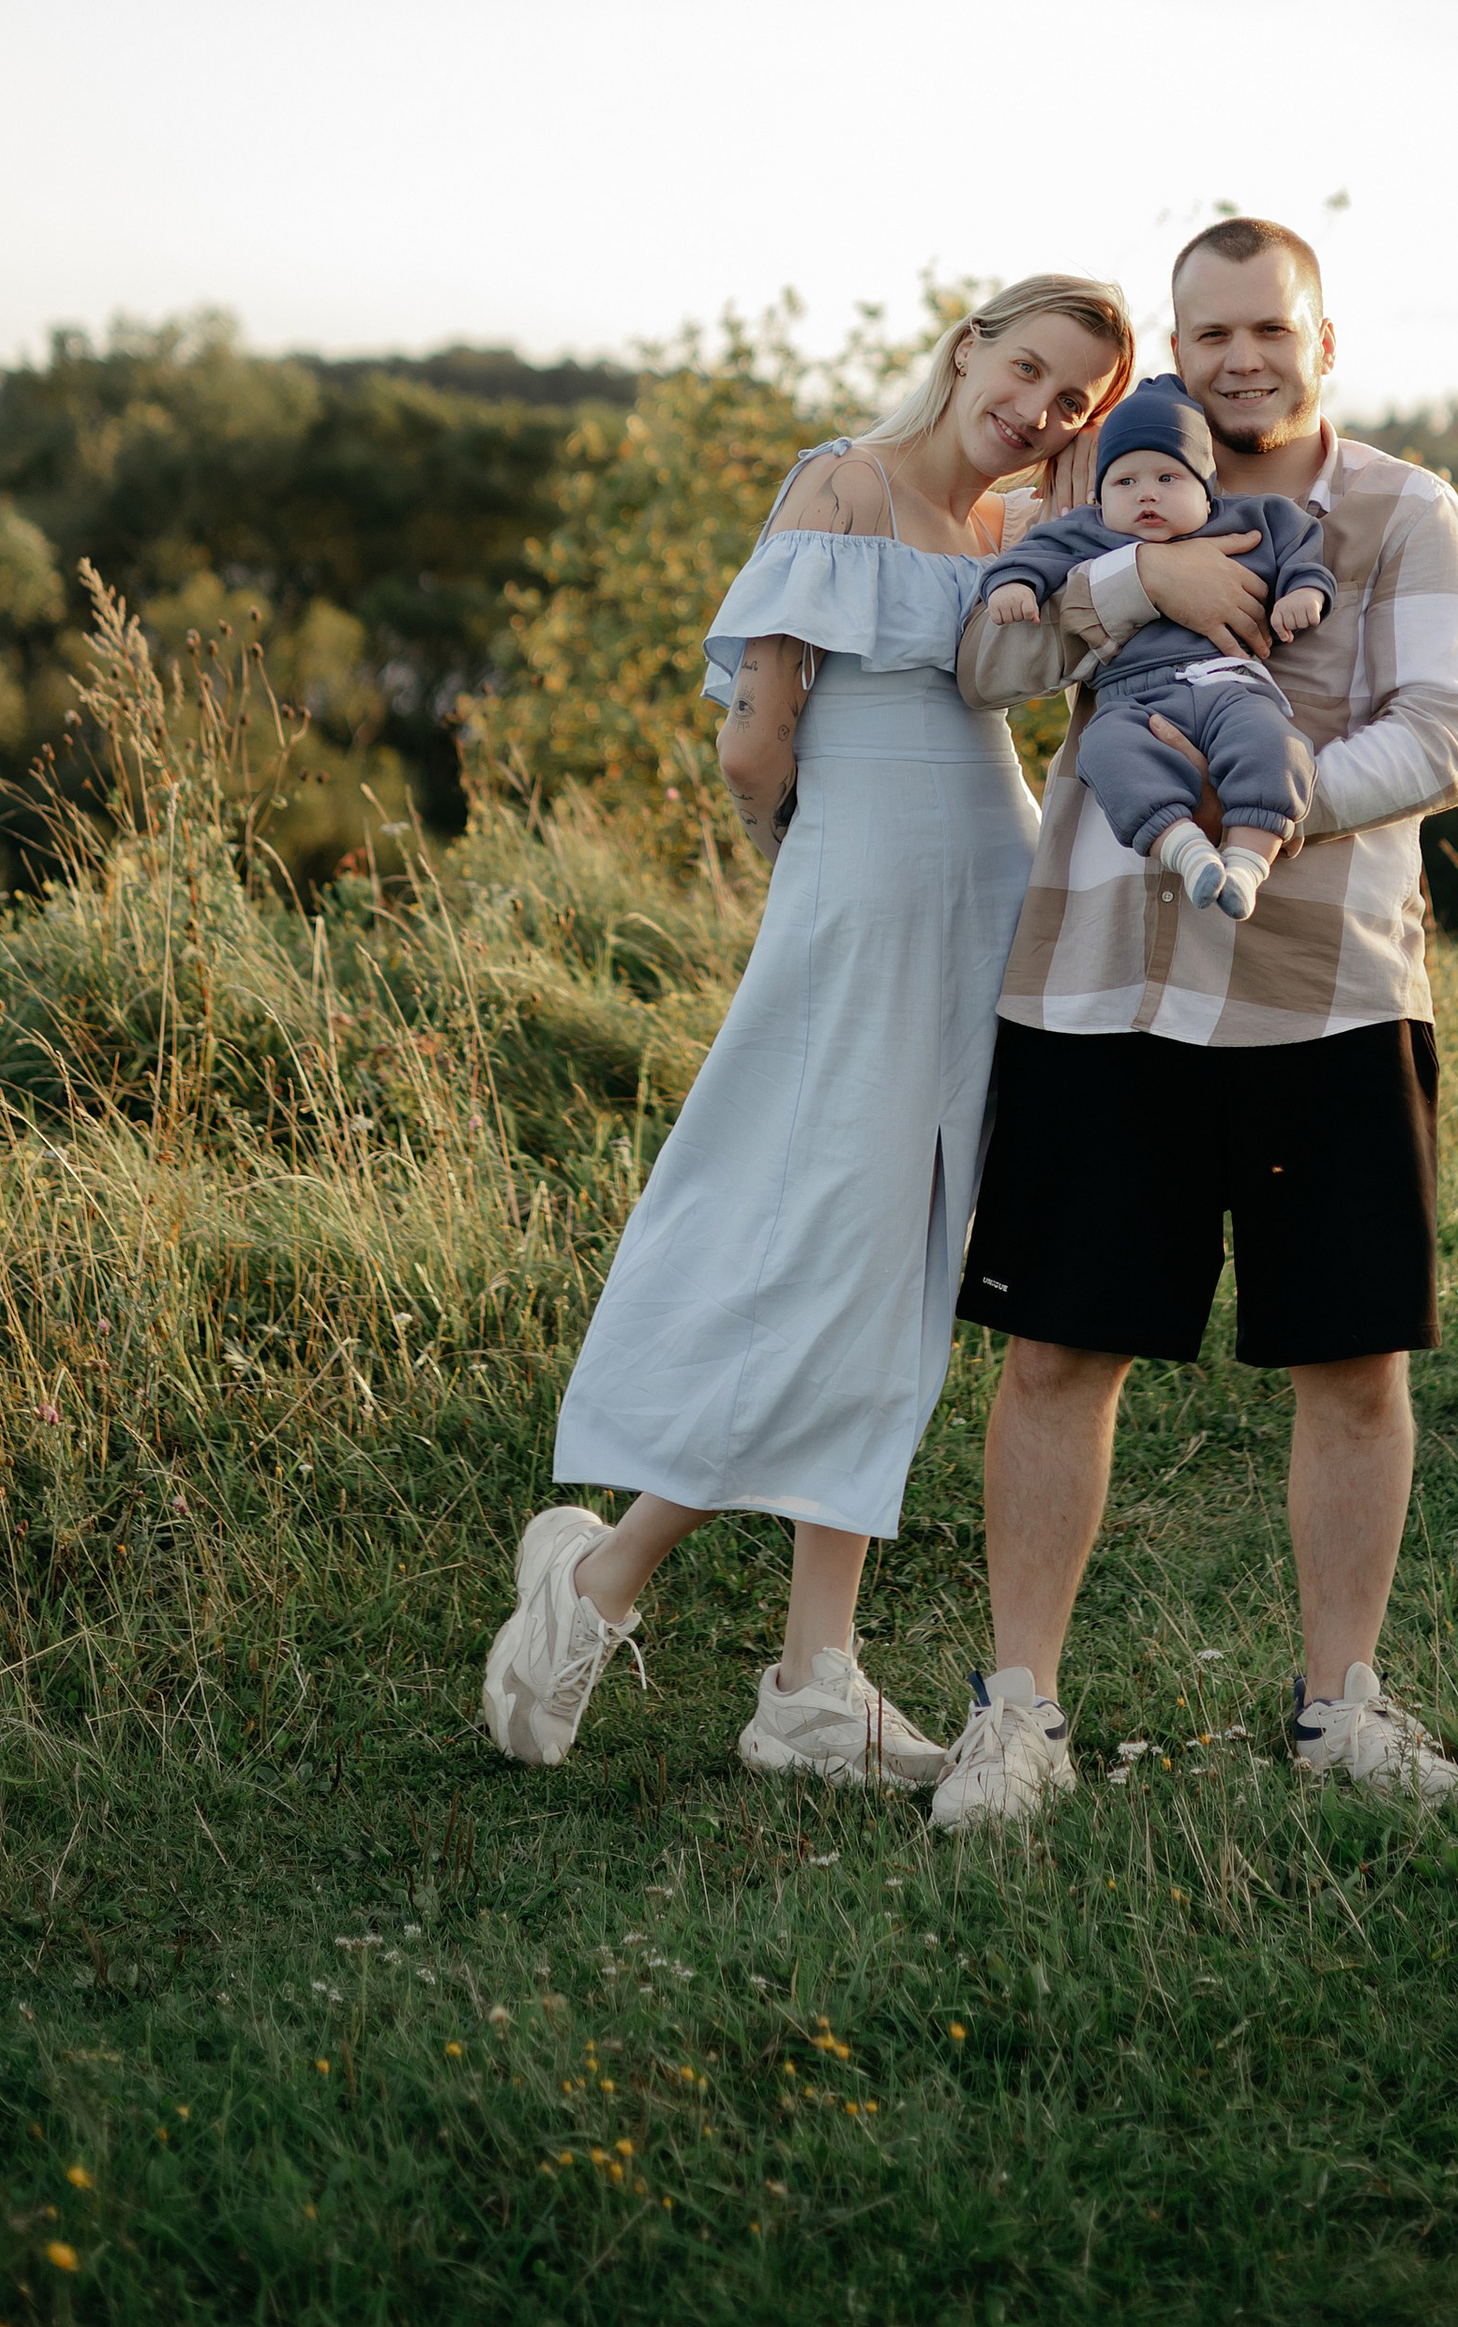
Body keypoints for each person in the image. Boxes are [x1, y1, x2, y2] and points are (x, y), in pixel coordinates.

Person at [481, 273, 1134, 1791]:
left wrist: (1093, 502)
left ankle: (811, 1682)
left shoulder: (1012, 541)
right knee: (818, 1257)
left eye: (1072, 403)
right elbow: (753, 742)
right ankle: (602, 1584)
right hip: (860, 923)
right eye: (1026, 369)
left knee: (899, 1277)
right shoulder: (842, 483)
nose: (1036, 410)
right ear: (969, 348)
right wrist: (820, 878)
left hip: (991, 921)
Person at [934, 216, 1458, 1830]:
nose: (1240, 357)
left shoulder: (1404, 512)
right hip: (1098, 983)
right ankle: (1018, 1713)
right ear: (1178, 350)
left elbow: (1449, 736)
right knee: (1055, 1351)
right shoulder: (1101, 492)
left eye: (1268, 328)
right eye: (1210, 334)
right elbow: (985, 660)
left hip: (1327, 991)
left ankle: (1342, 1710)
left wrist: (1259, 804)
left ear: (1323, 337)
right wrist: (1135, 576)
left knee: (1352, 1362)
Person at [974, 374, 1328, 919]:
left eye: (1168, 477)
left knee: (1273, 742)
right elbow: (1035, 554)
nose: (1146, 494)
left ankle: (1247, 865)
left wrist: (1304, 590)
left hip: (1229, 682)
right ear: (1099, 496)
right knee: (1106, 751)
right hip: (1131, 700)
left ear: (1207, 491)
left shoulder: (1250, 518)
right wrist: (1013, 585)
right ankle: (1187, 852)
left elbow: (1301, 541)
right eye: (1124, 482)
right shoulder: (1090, 531)